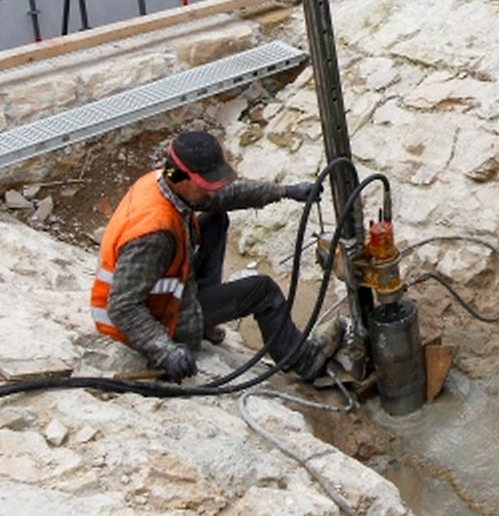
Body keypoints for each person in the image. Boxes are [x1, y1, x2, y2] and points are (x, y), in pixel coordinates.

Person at [91, 130, 344, 383]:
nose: (212, 193)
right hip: (153, 322)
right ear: (184, 178)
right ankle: (301, 358)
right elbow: (123, 307)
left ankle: (205, 321)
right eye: (206, 186)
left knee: (215, 218)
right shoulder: (154, 235)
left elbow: (226, 195)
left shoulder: (164, 181)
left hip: (167, 297)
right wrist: (165, 351)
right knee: (263, 291)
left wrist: (284, 191)